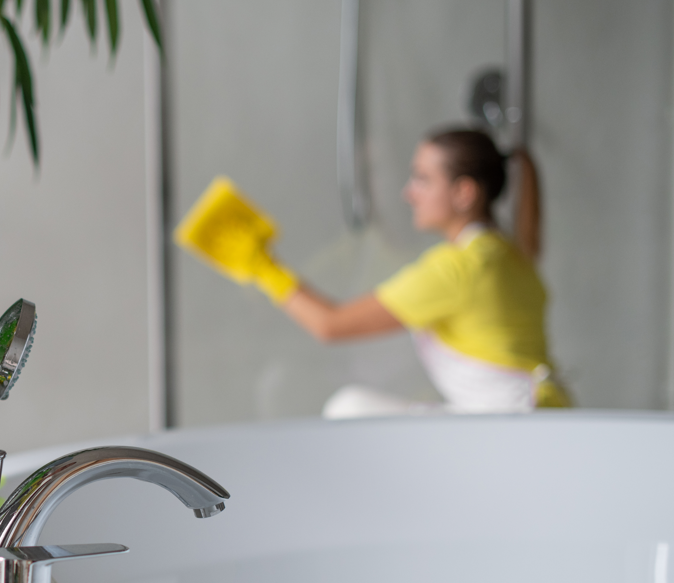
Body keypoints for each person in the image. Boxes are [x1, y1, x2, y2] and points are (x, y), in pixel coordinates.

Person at [176, 127, 570, 417]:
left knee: (348, 409)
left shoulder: (456, 269)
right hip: (542, 417)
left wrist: (262, 266)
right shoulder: (507, 254)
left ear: (464, 193)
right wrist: (524, 162)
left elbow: (330, 326)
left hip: (505, 433)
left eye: (422, 179)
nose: (408, 192)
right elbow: (531, 235)